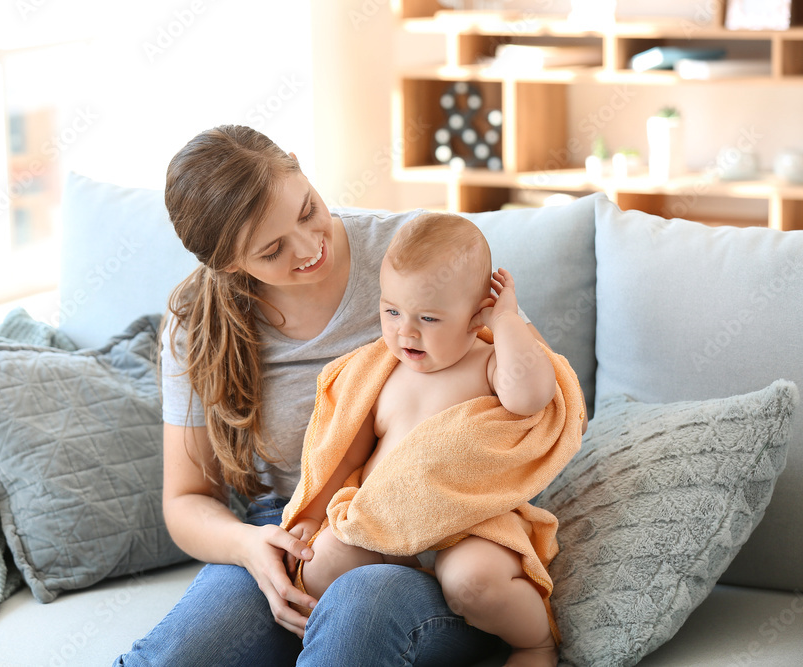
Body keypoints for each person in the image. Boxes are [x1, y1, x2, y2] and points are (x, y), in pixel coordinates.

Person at [114, 125, 565, 666]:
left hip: (442, 540)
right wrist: (250, 548)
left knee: (357, 611)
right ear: (231, 264)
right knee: (178, 657)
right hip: (293, 530)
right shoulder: (196, 323)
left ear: (301, 168)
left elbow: (525, 389)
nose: (309, 248)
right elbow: (186, 500)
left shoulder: (417, 255)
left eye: (307, 210)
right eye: (274, 249)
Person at [279, 212, 586, 667]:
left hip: (469, 522)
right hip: (385, 520)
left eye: (428, 317)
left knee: (474, 582)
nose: (406, 331)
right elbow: (344, 452)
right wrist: (310, 513)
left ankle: (534, 642)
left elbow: (532, 395)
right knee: (322, 564)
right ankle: (402, 600)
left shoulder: (488, 363)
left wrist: (505, 321)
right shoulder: (379, 373)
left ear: (476, 310)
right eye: (392, 311)